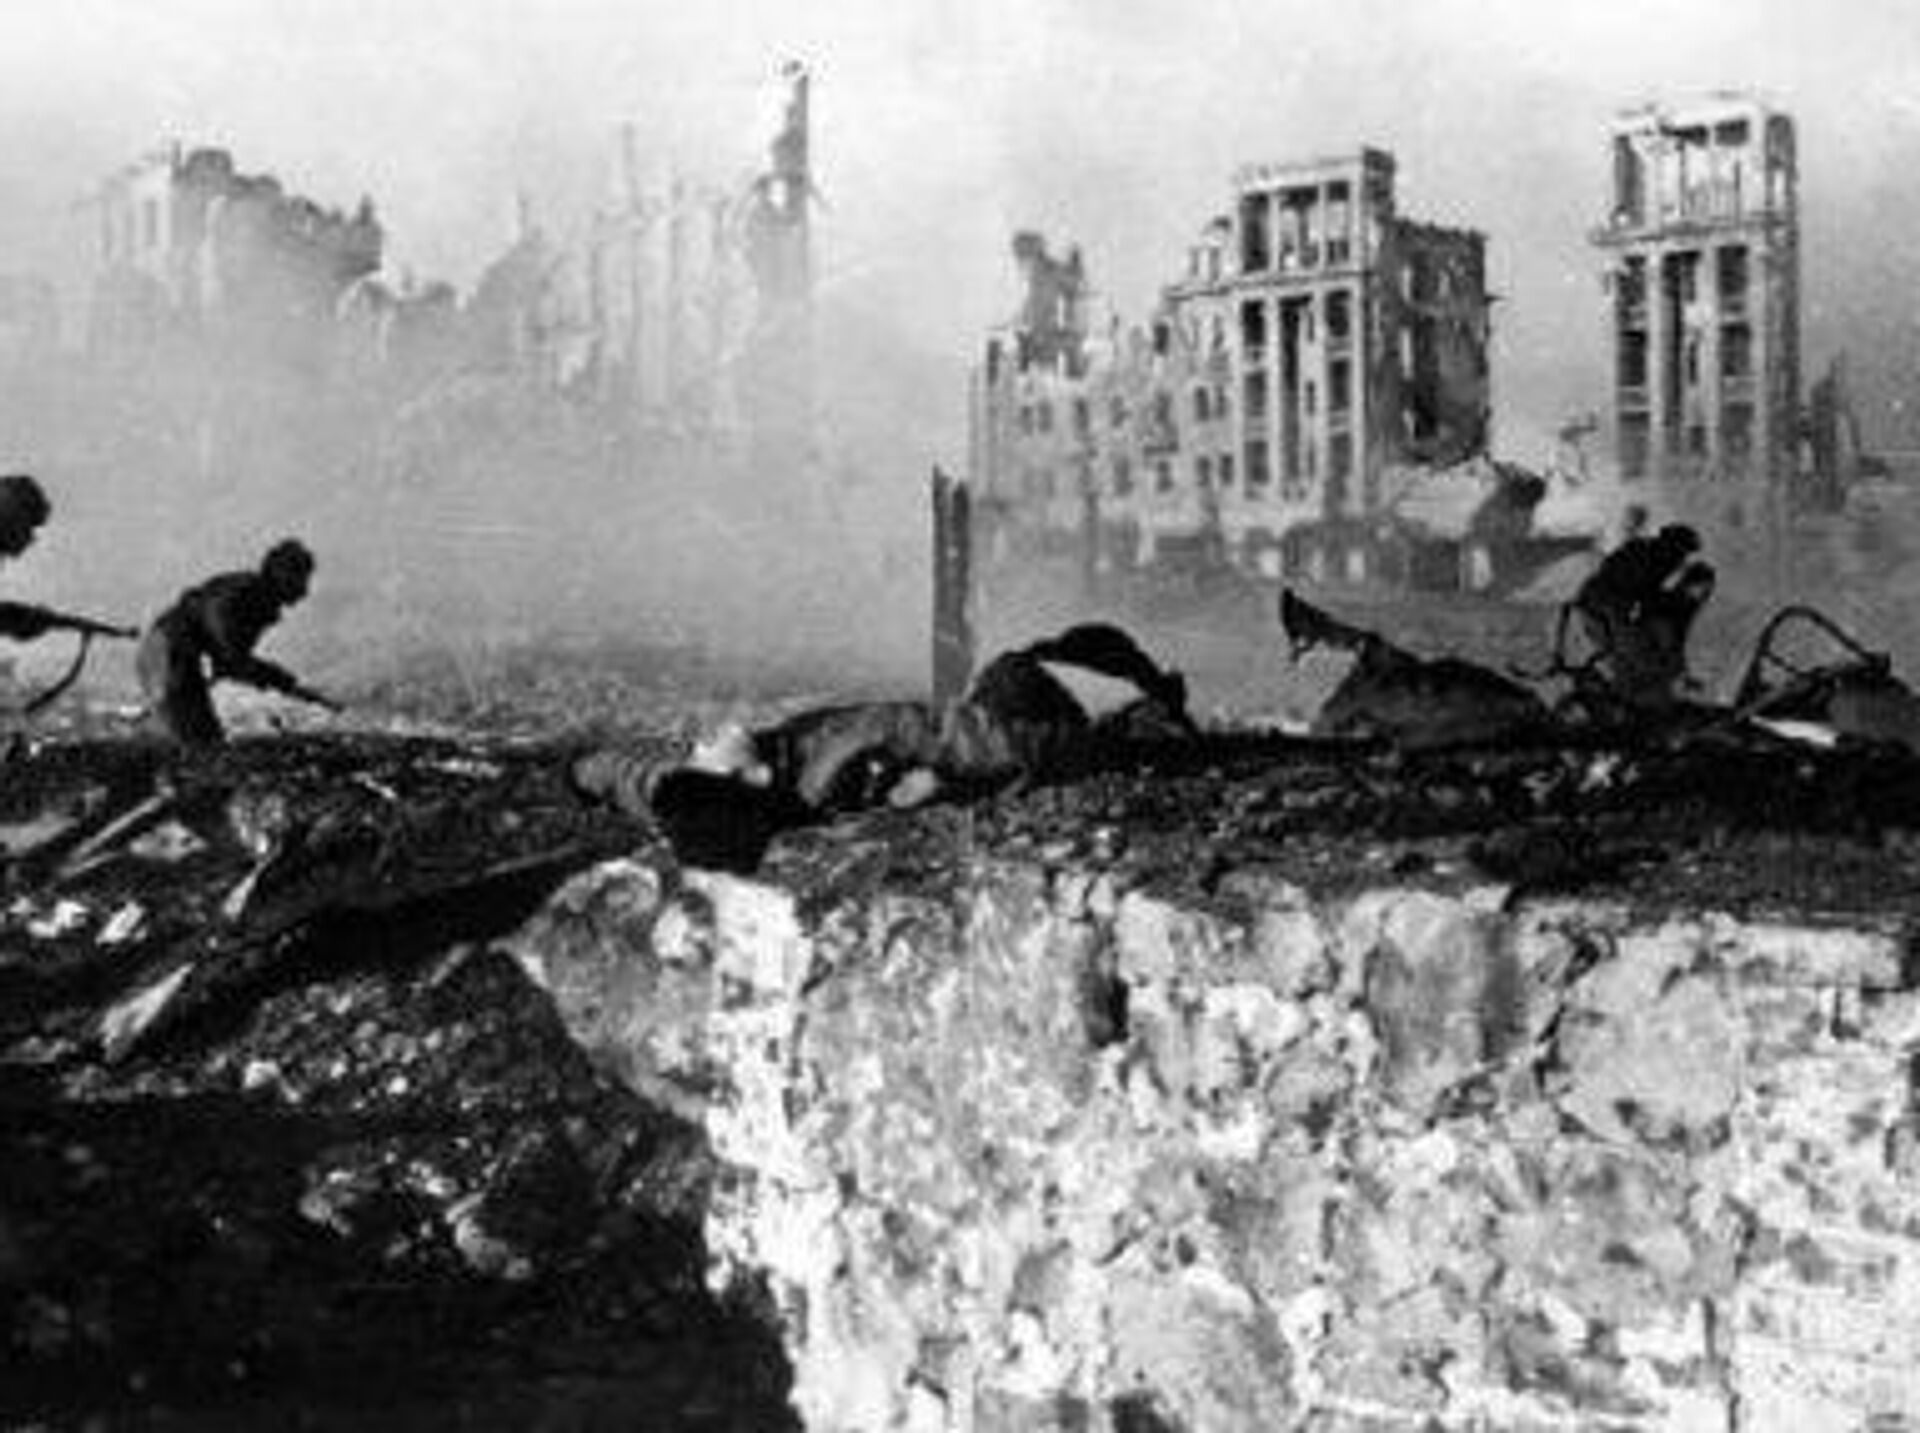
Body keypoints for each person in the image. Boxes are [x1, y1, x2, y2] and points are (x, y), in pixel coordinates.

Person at [573, 622, 1196, 870]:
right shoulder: (857, 746)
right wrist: (1138, 750)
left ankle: (1139, 707)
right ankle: (1147, 709)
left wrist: (579, 775)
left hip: (975, 738)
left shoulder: (706, 791)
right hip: (1014, 727)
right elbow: (1000, 745)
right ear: (753, 779)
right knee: (1014, 669)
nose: (696, 742)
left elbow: (636, 778)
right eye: (702, 753)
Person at [136, 539, 337, 746]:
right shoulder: (246, 591)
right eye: (300, 578)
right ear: (280, 574)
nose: (304, 590)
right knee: (201, 743)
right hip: (167, 651)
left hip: (165, 651)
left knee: (199, 737)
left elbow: (230, 665)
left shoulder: (260, 601)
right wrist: (285, 683)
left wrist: (289, 686)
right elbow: (221, 632)